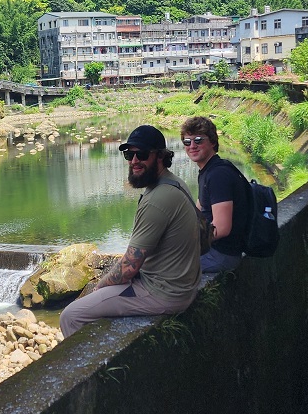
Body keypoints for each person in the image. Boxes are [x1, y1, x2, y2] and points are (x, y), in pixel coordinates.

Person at [59, 124, 201, 337]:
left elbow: (129, 267)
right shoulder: (174, 183)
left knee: (71, 315)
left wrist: (100, 286)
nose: (134, 161)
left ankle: (96, 367)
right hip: (180, 286)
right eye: (129, 155)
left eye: (141, 154)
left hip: (164, 293)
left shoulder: (157, 199)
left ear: (160, 156)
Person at [180, 115, 249, 275]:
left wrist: (188, 243)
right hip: (212, 250)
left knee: (160, 271)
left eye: (198, 140)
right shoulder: (208, 171)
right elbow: (197, 213)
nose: (192, 146)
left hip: (221, 255)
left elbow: (222, 228)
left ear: (212, 142)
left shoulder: (218, 175)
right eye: (187, 142)